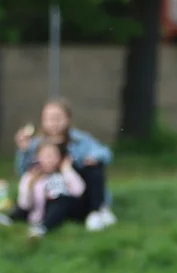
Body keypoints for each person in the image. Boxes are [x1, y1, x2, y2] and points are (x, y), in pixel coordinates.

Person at [14, 98, 117, 231]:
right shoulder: (35, 144)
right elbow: (24, 173)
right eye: (49, 118)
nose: (53, 123)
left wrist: (93, 158)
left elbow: (104, 152)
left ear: (68, 119)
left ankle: (97, 211)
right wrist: (24, 151)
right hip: (50, 193)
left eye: (57, 118)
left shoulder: (79, 139)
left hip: (76, 187)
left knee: (95, 167)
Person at [2, 139, 86, 238]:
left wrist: (67, 169)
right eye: (46, 156)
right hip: (37, 209)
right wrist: (29, 185)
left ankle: (42, 228)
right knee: (21, 206)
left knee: (61, 200)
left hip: (62, 209)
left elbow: (79, 191)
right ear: (37, 157)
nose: (50, 160)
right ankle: (10, 218)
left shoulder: (63, 174)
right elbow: (24, 204)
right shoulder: (30, 176)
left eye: (54, 156)